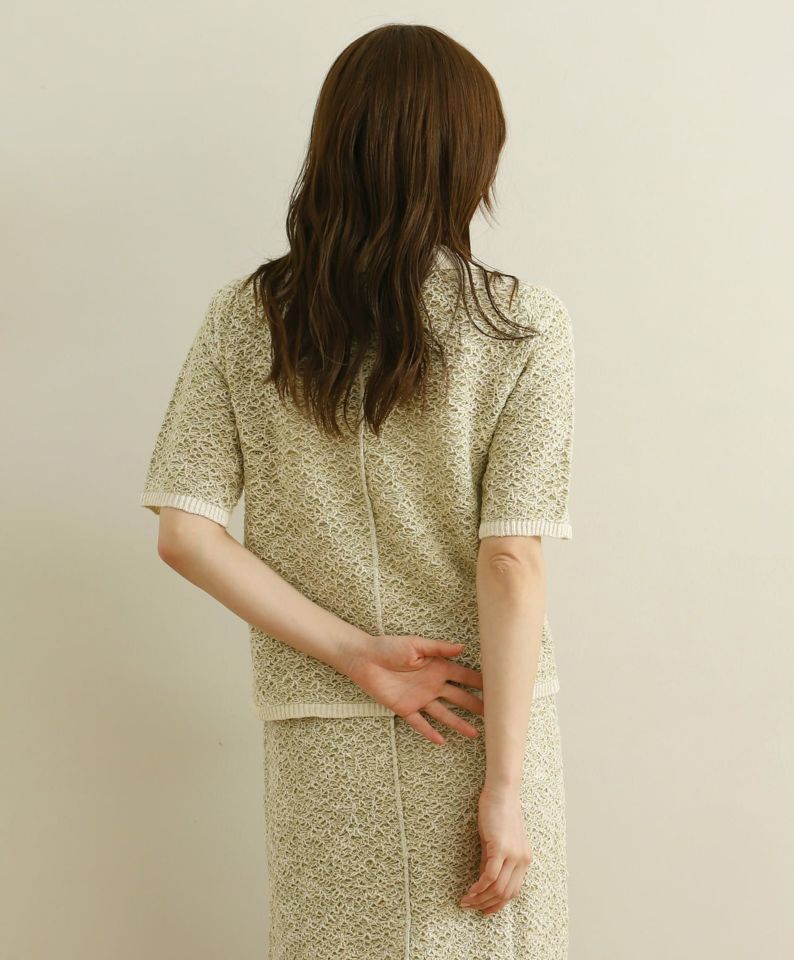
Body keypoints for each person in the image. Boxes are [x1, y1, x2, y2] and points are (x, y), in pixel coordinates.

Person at [139, 22, 575, 960]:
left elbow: (185, 532)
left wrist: (355, 654)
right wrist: (504, 789)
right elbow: (510, 559)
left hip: (322, 733)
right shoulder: (522, 326)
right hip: (476, 723)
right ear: (469, 157)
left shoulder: (248, 319)